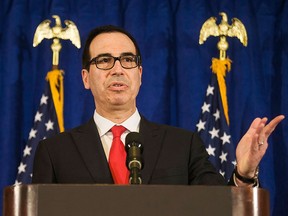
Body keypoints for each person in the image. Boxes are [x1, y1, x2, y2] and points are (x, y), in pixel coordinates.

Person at [32, 25, 285, 186]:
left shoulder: (183, 146)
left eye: (127, 60)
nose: (117, 69)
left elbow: (220, 208)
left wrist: (243, 173)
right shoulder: (54, 152)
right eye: (105, 60)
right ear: (86, 78)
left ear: (140, 74)